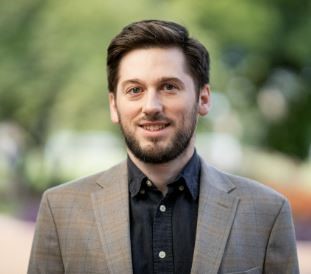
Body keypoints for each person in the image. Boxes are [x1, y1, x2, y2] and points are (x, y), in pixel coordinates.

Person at [28, 20, 299, 274]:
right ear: (114, 105)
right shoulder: (60, 210)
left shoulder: (267, 213)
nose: (151, 107)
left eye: (169, 87)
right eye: (134, 90)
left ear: (203, 99)